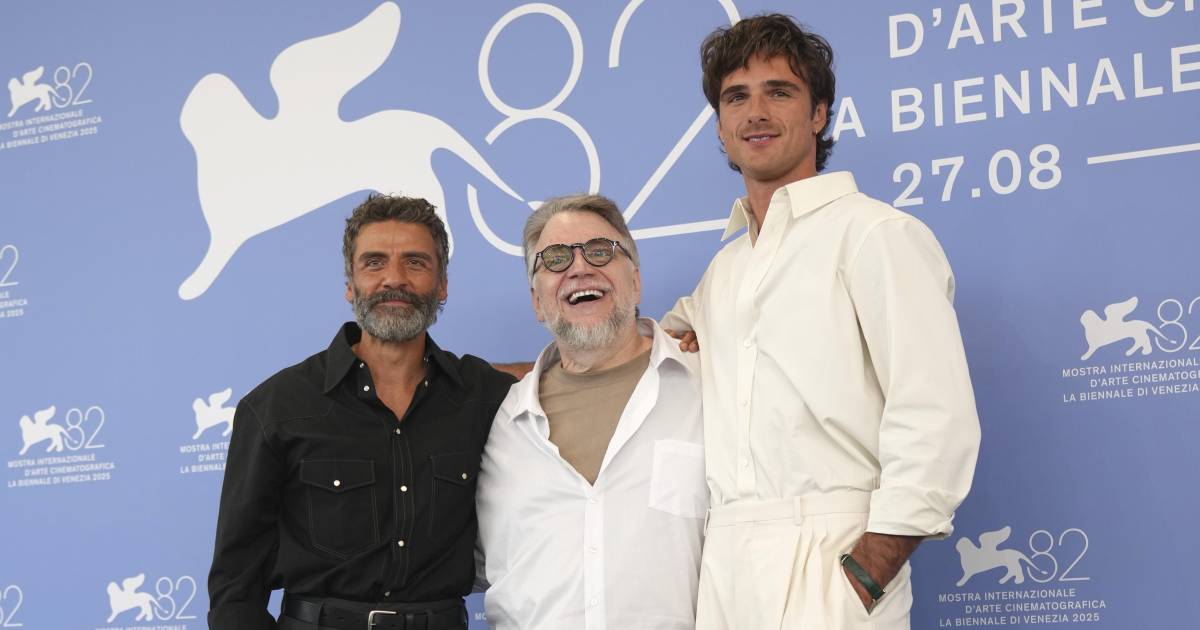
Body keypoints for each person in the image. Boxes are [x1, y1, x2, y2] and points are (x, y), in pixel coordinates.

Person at [660, 14, 982, 629]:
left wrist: (874, 564)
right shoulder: (724, 269)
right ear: (720, 125)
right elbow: (648, 354)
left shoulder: (875, 234)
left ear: (818, 114)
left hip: (834, 551)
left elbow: (935, 409)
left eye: (778, 92)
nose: (756, 113)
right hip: (722, 561)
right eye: (736, 97)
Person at [207, 194, 515, 630]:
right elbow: (235, 589)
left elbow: (569, 378)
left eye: (415, 262)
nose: (395, 279)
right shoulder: (276, 407)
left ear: (442, 284)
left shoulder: (484, 398)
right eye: (374, 263)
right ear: (350, 284)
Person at [476, 194, 707, 630]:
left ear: (635, 282)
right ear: (537, 301)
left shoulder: (710, 382)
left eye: (600, 251)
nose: (580, 268)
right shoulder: (499, 423)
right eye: (555, 259)